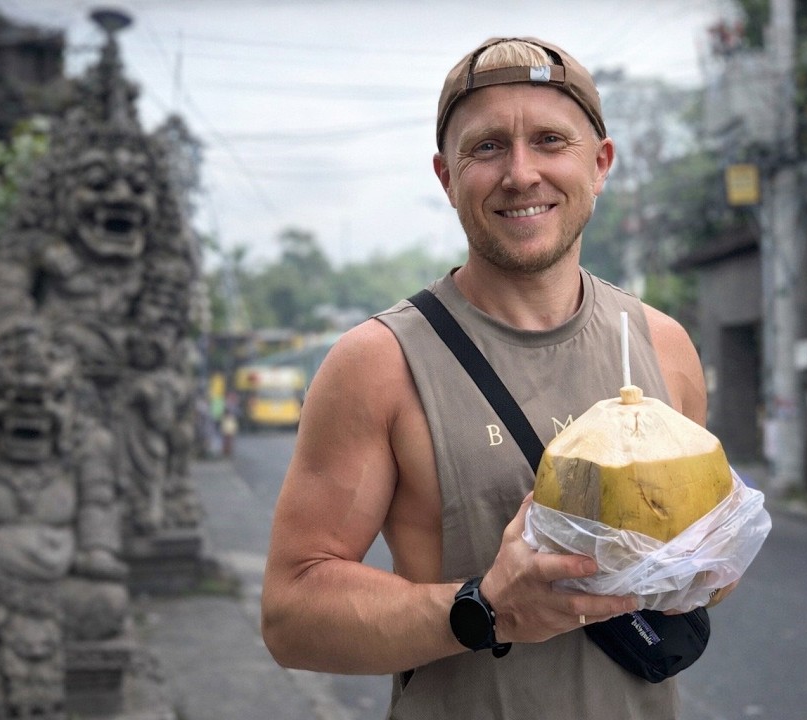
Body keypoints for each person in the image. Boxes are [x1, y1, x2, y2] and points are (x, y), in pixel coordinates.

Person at [260, 36, 744, 719]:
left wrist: (708, 566)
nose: (521, 173)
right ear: (445, 176)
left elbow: (694, 568)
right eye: (487, 147)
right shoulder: (380, 363)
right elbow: (291, 614)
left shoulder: (662, 346)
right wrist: (485, 609)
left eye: (550, 140)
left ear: (600, 163)